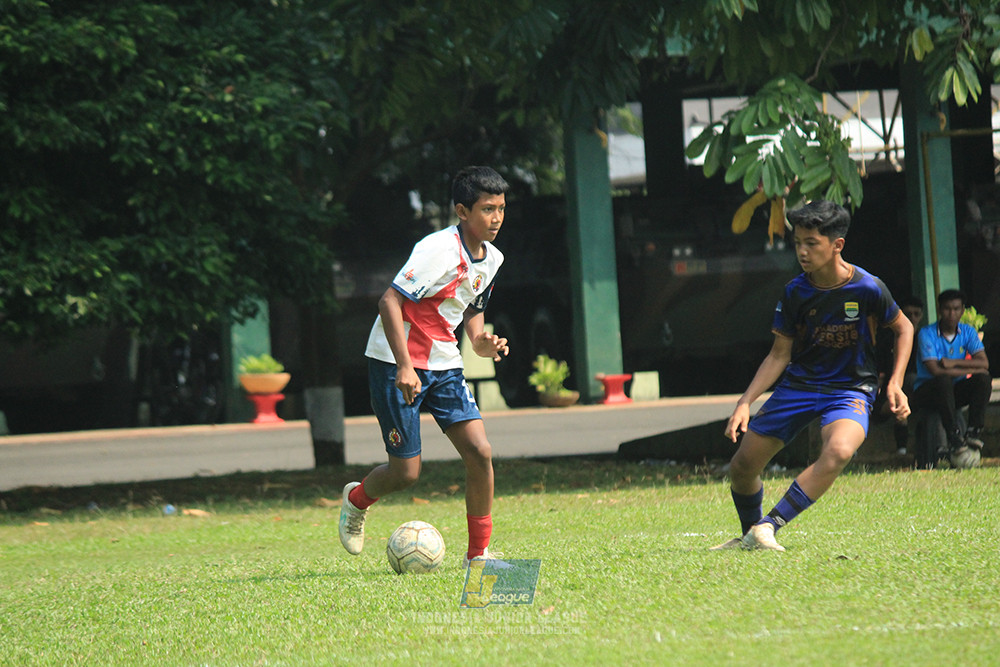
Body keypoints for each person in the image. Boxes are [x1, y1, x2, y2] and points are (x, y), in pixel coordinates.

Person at [712, 200, 913, 551]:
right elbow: (778, 354)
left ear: (837, 245)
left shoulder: (868, 288)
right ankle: (751, 535)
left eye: (811, 243)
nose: (802, 252)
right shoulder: (795, 292)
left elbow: (904, 328)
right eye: (798, 243)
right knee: (742, 466)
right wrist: (745, 402)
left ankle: (769, 525)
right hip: (800, 386)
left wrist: (895, 382)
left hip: (851, 388)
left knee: (838, 451)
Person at [338, 166, 511, 567]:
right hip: (393, 362)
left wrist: (480, 341)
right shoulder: (438, 250)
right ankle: (356, 499)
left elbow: (471, 308)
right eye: (487, 209)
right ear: (462, 211)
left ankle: (478, 555)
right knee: (406, 473)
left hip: (444, 363)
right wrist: (404, 366)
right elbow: (389, 302)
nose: (497, 218)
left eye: (501, 208)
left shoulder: (494, 258)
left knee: (480, 452)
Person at [910, 289, 991, 465]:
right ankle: (954, 436)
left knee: (983, 379)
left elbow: (984, 364)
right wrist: (968, 367)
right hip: (928, 392)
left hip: (953, 391)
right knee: (943, 381)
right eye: (947, 309)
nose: (951, 314)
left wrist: (952, 363)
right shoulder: (927, 333)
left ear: (962, 310)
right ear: (940, 310)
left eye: (956, 309)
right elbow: (935, 371)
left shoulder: (968, 332)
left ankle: (973, 431)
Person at [873, 295, 923, 454]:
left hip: (919, 390)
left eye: (916, 314)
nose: (912, 318)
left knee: (911, 381)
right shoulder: (887, 340)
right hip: (891, 392)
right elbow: (879, 370)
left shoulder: (925, 339)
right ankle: (901, 449)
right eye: (908, 314)